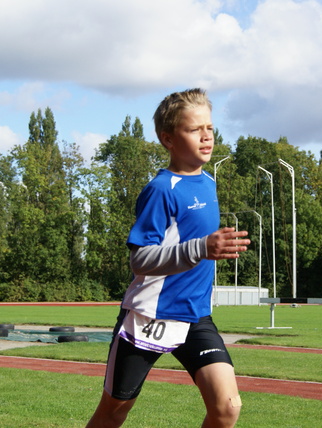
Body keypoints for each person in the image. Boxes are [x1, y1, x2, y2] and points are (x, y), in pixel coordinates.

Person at [86, 88, 250, 428]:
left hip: (195, 317)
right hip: (149, 317)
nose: (206, 136)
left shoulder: (208, 183)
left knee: (227, 407)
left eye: (210, 128)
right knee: (114, 412)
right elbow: (140, 259)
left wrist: (210, 248)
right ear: (168, 139)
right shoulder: (161, 190)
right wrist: (202, 248)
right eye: (194, 129)